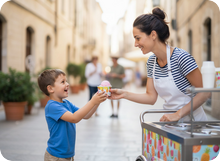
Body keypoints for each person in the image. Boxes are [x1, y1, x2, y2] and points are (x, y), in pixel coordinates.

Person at [109, 7, 210, 122]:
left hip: (193, 124)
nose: (135, 44)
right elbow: (151, 97)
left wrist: (178, 114)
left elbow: (204, 93)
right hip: (170, 123)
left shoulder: (181, 57)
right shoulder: (152, 63)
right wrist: (124, 94)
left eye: (138, 38)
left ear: (153, 35)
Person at [38, 69, 107, 161]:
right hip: (56, 157)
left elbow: (86, 115)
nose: (67, 84)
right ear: (50, 89)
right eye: (63, 82)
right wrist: (92, 101)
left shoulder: (67, 103)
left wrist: (97, 102)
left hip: (68, 155)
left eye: (66, 81)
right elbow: (74, 118)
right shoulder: (52, 106)